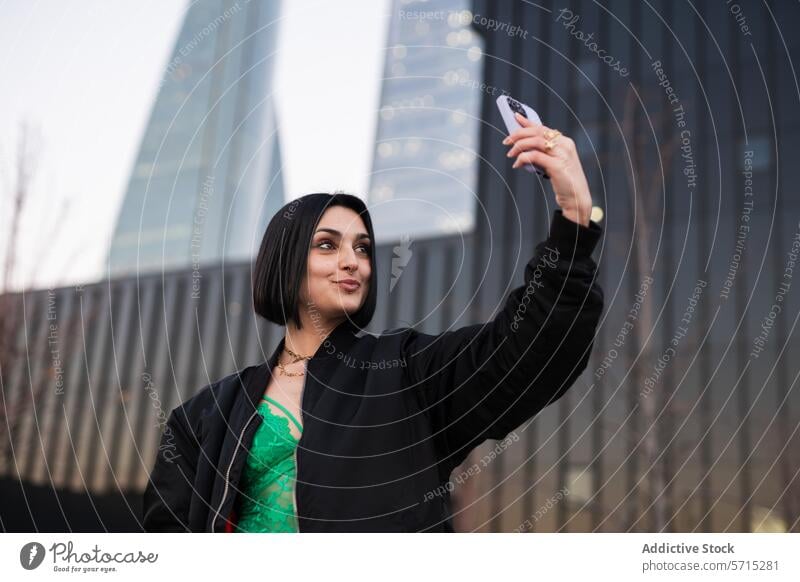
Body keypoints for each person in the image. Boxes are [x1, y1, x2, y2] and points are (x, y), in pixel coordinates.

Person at [142, 113, 604, 532]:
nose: (353, 262)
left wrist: (574, 221)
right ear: (283, 261)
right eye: (327, 245)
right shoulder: (205, 415)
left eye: (362, 248)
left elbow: (523, 349)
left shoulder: (404, 373)